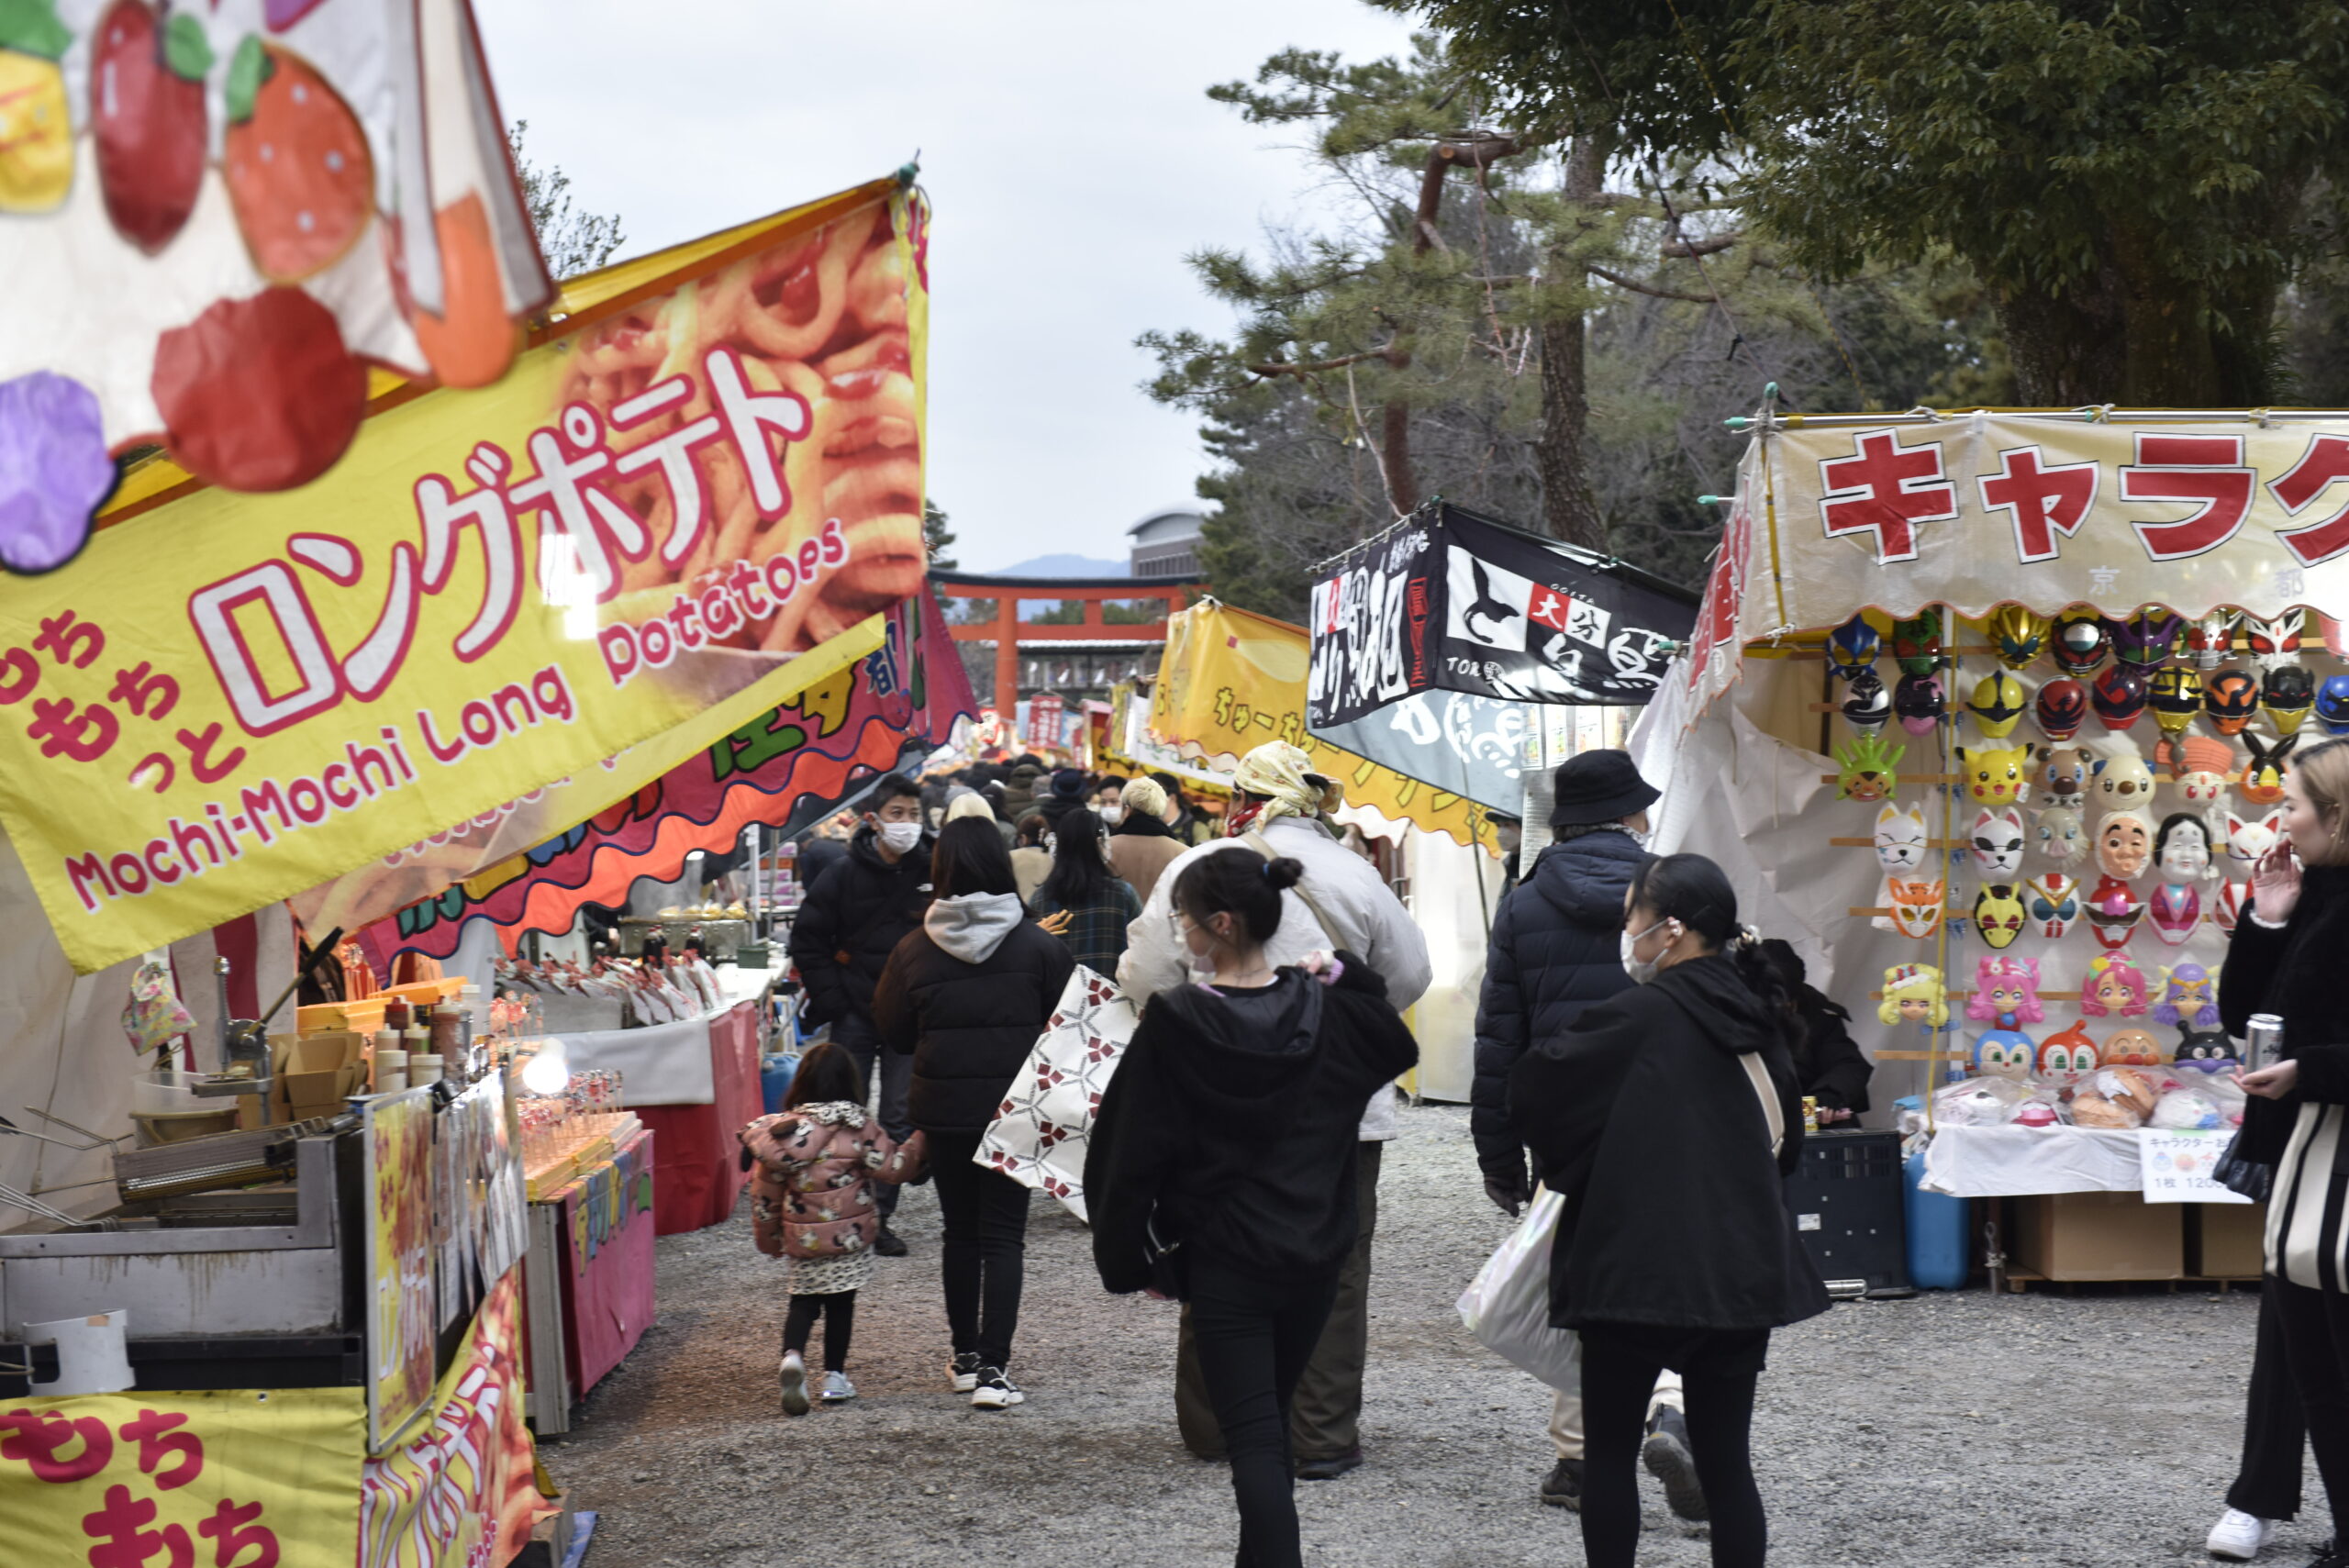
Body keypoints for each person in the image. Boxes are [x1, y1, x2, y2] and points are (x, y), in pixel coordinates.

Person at [1086, 849, 1419, 1568]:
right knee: (1267, 1415)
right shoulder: (1323, 1009)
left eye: (1183, 919)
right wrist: (1344, 972)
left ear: (1220, 924)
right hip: (1314, 1250)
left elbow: (1127, 1149)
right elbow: (1396, 1041)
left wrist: (1128, 1256)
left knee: (1257, 1443)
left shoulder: (1178, 1023)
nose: (1179, 931)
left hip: (1228, 1257)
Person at [1120, 740, 1431, 1481]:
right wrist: (1339, 1033)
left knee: (1214, 1245)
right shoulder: (1355, 869)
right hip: (1341, 1112)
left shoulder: (1201, 866)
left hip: (1220, 1099)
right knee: (1338, 1261)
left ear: (1243, 794)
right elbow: (1412, 971)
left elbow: (1147, 974)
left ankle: (1218, 1426)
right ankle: (1319, 1434)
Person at [1510, 852, 1829, 1568]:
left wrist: (1588, 1162)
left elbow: (1536, 1094)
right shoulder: (1761, 1019)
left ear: (1672, 929)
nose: (1627, 931)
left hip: (1631, 1266)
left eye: (1632, 917)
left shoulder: (1631, 1017)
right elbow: (1787, 1147)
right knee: (1727, 1465)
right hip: (1740, 1265)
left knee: (1612, 1456)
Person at [1471, 749, 1696, 1515]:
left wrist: (1497, 1155)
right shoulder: (1675, 888)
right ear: (1633, 814)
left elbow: (1499, 1035)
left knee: (1580, 1287)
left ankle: (1578, 1460)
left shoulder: (1526, 899)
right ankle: (1674, 1408)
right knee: (1672, 1276)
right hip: (1669, 1119)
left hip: (1566, 1131)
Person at [873, 819, 1075, 1410]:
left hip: (943, 1111)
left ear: (941, 871)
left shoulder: (913, 948)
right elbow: (1070, 1025)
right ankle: (994, 1371)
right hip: (1017, 1109)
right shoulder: (1038, 945)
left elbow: (894, 1032)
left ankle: (964, 1359)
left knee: (959, 1233)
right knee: (1004, 1237)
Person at [2227, 739, 2349, 1565]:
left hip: (2336, 1148)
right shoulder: (2313, 893)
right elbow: (2245, 1013)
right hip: (2303, 1145)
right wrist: (2268, 915)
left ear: (2335, 813)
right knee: (2307, 1346)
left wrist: (2314, 1068)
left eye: (2295, 802)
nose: (2283, 817)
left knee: (2326, 1345)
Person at [785, 775, 933, 1256]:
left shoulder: (934, 871)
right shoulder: (842, 874)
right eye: (897, 814)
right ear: (873, 819)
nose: (907, 824)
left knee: (897, 1115)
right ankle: (836, 1208)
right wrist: (833, 1001)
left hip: (909, 1015)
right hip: (854, 1010)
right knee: (840, 1114)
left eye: (914, 814)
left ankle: (880, 1216)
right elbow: (808, 940)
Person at [740, 1041, 927, 1414]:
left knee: (804, 1302)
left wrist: (769, 1239)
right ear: (850, 1082)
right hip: (848, 1240)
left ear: (801, 1082)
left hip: (802, 1237)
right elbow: (893, 1167)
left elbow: (765, 1195)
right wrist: (922, 1137)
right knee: (842, 1304)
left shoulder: (782, 1135)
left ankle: (792, 1357)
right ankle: (835, 1378)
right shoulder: (858, 1126)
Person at [1755, 939, 1874, 1125]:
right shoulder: (1730, 1017)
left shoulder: (1818, 1018)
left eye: (1785, 1004)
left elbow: (1848, 1063)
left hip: (1809, 1118)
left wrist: (1829, 1093)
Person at [1026, 808, 1141, 974]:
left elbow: (1033, 955)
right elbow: (1142, 946)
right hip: (1112, 995)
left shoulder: (1040, 899)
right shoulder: (1122, 895)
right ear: (1100, 844)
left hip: (1060, 997)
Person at [1107, 776, 1188, 906]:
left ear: (1127, 809)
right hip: (1162, 924)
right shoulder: (1184, 853)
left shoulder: (1104, 848)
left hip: (1115, 922)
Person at [1010, 813, 1052, 906]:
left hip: (1019, 910)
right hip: (1045, 912)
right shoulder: (1052, 859)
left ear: (1023, 838)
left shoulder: (1011, 857)